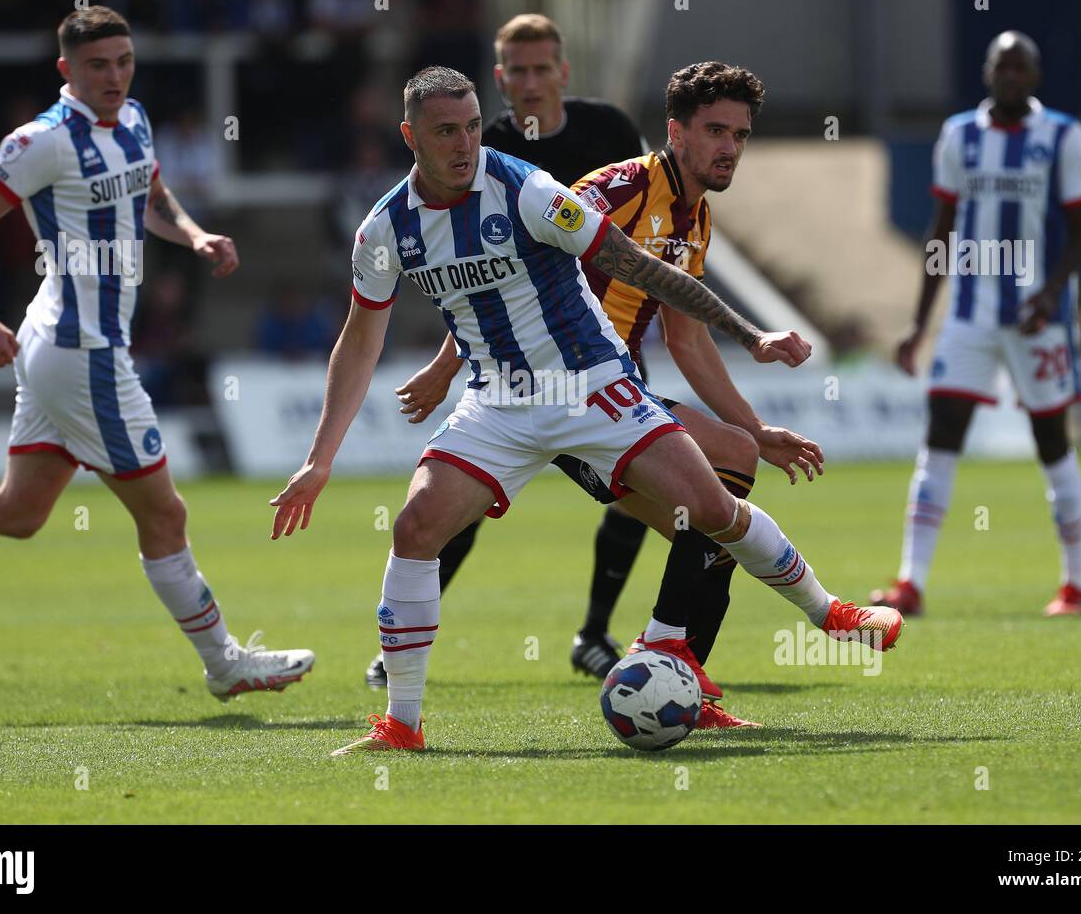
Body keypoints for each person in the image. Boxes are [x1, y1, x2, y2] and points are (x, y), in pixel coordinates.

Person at [268, 66, 903, 755]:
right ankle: (402, 724)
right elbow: (359, 344)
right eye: (445, 131)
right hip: (499, 403)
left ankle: (826, 612)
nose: (464, 143)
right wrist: (318, 460)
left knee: (713, 511)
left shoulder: (526, 190)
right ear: (409, 136)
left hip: (593, 386)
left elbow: (638, 267)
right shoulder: (384, 229)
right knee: (417, 527)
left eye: (474, 126)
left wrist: (748, 334)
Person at [0, 6, 313, 700]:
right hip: (82, 352)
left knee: (18, 514)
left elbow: (146, 194)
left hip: (63, 348)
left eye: (123, 62)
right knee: (165, 514)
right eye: (97, 66)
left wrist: (195, 235)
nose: (113, 76)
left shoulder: (135, 119)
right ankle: (225, 664)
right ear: (66, 71)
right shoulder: (42, 142)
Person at [391, 61, 828, 730]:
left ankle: (679, 682)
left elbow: (687, 341)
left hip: (617, 394)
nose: (729, 148)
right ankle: (668, 652)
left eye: (740, 135)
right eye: (716, 131)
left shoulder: (695, 218)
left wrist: (759, 426)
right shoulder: (613, 189)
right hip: (565, 392)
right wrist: (450, 365)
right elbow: (514, 268)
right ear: (676, 132)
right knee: (719, 502)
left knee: (726, 491)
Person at [364, 11, 651, 690]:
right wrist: (442, 368)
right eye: (515, 71)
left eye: (540, 68)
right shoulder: (477, 145)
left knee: (644, 492)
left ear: (563, 72)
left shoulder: (608, 129)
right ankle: (403, 648)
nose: (528, 81)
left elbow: (651, 209)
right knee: (455, 506)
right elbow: (473, 281)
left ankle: (599, 632)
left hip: (602, 345)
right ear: (499, 78)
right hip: (514, 370)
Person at [871, 31, 1081, 618]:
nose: (1012, 77)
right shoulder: (959, 135)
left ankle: (1078, 584)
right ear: (988, 72)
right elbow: (941, 229)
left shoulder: (1063, 136)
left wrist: (1050, 294)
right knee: (941, 433)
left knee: (1052, 441)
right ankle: (910, 583)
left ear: (1037, 76)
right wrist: (919, 323)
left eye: (1022, 68)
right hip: (969, 314)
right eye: (1003, 67)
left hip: (1038, 318)